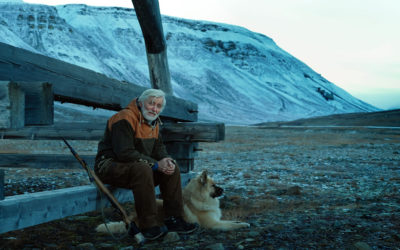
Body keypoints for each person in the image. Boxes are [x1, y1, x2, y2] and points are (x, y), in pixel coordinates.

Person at [94, 88, 197, 240]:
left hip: (135, 170)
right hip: (110, 167)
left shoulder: (153, 122)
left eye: (158, 106)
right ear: (141, 102)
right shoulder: (124, 118)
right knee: (143, 168)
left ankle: (174, 219)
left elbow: (159, 149)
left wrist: (166, 160)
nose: (154, 109)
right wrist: (155, 165)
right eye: (151, 104)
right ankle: (148, 225)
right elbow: (125, 153)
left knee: (171, 168)